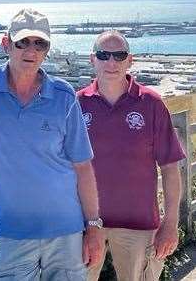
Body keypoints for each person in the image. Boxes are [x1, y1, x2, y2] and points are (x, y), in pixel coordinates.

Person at [0, 8, 104, 280]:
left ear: (47, 49)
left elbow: (83, 166)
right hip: (13, 232)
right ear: (6, 44)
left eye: (40, 43)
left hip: (67, 230)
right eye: (23, 42)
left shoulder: (63, 95)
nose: (31, 50)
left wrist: (94, 226)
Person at [78, 30, 184, 281]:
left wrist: (170, 223)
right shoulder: (78, 104)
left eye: (119, 55)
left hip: (139, 224)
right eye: (104, 55)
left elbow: (170, 168)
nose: (111, 62)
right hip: (87, 225)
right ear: (92, 59)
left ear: (130, 60)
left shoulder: (151, 103)